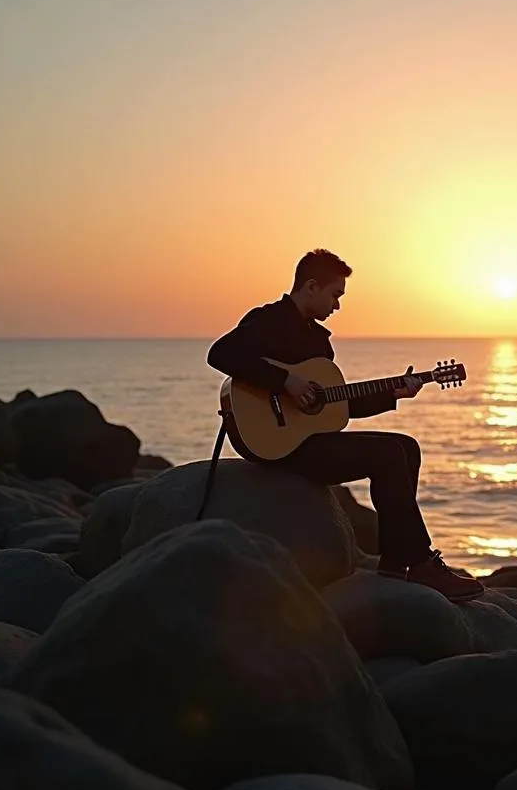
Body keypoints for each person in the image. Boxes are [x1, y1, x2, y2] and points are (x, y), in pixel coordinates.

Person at [207, 248, 484, 601]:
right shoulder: (268, 320)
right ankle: (420, 561)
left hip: (308, 441)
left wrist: (393, 394)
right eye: (335, 294)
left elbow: (334, 408)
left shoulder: (319, 341)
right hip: (276, 445)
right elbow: (220, 354)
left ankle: (397, 559)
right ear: (310, 286)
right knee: (386, 454)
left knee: (406, 447)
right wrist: (285, 382)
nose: (337, 305)